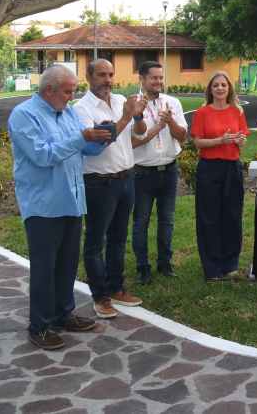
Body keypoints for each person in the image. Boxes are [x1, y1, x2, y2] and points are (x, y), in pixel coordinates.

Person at [8, 65, 113, 350]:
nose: (71, 97)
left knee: (67, 264)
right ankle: (39, 326)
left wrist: (102, 138)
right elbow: (43, 155)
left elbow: (82, 148)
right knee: (45, 268)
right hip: (43, 205)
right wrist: (83, 138)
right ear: (49, 90)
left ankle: (63, 315)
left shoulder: (67, 113)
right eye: (68, 91)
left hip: (72, 200)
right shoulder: (24, 115)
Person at [74, 59, 147, 319]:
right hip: (99, 183)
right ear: (89, 76)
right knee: (96, 241)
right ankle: (100, 296)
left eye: (111, 74)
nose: (107, 80)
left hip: (126, 179)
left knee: (118, 238)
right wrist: (128, 115)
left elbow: (139, 132)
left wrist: (137, 116)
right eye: (102, 75)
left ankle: (116, 287)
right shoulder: (81, 108)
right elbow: (101, 140)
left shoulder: (119, 101)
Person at [131, 61, 188, 284]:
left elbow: (182, 136)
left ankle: (165, 263)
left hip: (169, 170)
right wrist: (155, 126)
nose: (158, 82)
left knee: (167, 220)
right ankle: (142, 267)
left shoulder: (172, 103)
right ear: (142, 79)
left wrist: (170, 120)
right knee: (141, 221)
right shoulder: (134, 105)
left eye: (161, 78)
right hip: (143, 173)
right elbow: (133, 142)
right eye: (153, 78)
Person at [190, 71, 249, 281]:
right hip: (210, 168)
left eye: (224, 84)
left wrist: (239, 140)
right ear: (211, 89)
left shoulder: (237, 111)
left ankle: (230, 264)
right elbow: (197, 142)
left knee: (232, 216)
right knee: (209, 218)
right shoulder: (202, 113)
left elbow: (243, 138)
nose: (220, 88)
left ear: (229, 88)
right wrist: (219, 141)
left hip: (232, 167)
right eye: (216, 85)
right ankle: (212, 267)